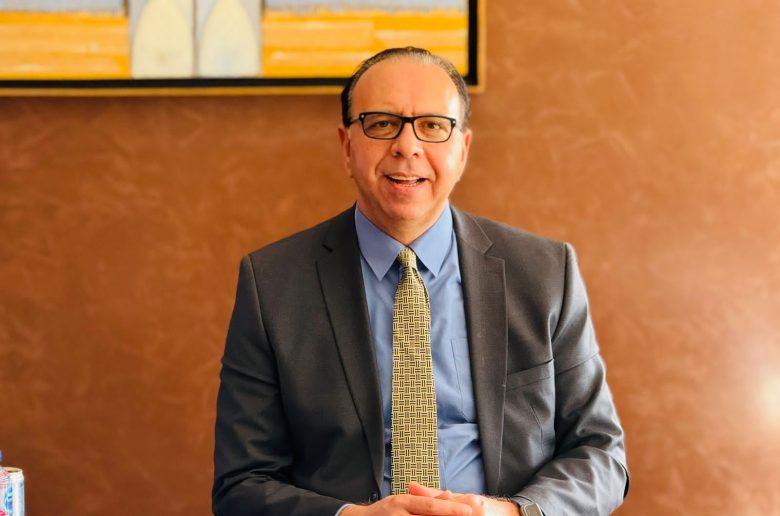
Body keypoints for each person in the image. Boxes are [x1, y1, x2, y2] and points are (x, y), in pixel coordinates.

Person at [212, 47, 628, 516]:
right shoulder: (273, 283)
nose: (407, 146)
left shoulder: (545, 272)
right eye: (381, 124)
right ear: (347, 147)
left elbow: (601, 453)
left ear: (462, 150)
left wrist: (512, 513)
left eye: (432, 126)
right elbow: (241, 484)